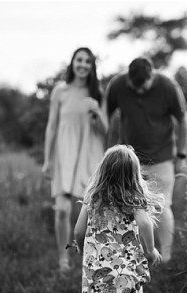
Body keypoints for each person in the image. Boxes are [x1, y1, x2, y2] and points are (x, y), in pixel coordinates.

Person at [71, 145, 163, 293]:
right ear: (134, 175)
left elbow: (79, 229)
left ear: (103, 171)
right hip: (127, 259)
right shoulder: (133, 198)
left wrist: (80, 246)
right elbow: (145, 223)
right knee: (135, 285)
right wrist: (150, 250)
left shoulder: (93, 198)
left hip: (99, 264)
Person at [103, 57, 187, 261]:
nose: (140, 91)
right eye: (135, 87)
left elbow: (184, 119)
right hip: (128, 160)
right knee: (127, 208)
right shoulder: (118, 84)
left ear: (152, 75)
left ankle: (166, 257)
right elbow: (104, 115)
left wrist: (182, 154)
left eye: (144, 86)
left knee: (162, 206)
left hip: (162, 156)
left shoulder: (168, 86)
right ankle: (131, 255)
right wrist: (108, 150)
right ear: (128, 79)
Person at [42, 47, 108, 272]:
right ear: (72, 63)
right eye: (79, 60)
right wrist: (47, 159)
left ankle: (90, 256)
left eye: (87, 61)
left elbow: (105, 130)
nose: (83, 65)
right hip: (63, 153)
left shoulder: (97, 93)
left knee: (90, 210)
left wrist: (98, 112)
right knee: (61, 209)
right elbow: (51, 126)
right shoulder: (60, 91)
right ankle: (63, 257)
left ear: (92, 66)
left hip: (89, 153)